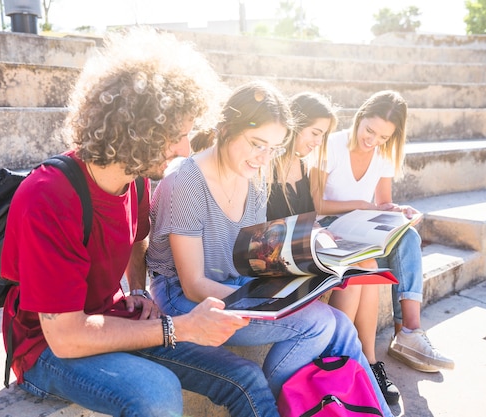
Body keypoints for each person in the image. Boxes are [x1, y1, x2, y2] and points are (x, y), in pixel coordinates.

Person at [0, 27, 282, 417]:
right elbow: (65, 336)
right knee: (155, 391)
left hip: (110, 317)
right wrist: (179, 328)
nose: (185, 149)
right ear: (135, 129)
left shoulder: (134, 181)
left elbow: (136, 239)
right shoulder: (48, 197)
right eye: (175, 136)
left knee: (246, 377)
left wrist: (138, 290)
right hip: (45, 349)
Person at [147, 81, 394, 417]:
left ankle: (370, 411)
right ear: (225, 130)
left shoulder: (253, 178)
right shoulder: (185, 181)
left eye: (273, 148)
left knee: (341, 325)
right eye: (256, 144)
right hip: (183, 299)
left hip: (233, 284)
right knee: (319, 322)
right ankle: (282, 405)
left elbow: (252, 256)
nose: (264, 158)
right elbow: (193, 284)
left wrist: (313, 264)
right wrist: (275, 305)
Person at [311, 90, 455, 381]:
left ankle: (409, 332)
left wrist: (395, 212)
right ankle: (356, 358)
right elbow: (314, 204)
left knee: (408, 238)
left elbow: (382, 203)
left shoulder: (383, 154)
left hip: (360, 224)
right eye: (370, 131)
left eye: (383, 138)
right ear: (360, 117)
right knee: (370, 267)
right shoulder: (333, 145)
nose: (373, 141)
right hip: (326, 226)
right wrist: (361, 205)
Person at [267, 91, 401, 405]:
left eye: (322, 135)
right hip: (278, 255)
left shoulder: (299, 165)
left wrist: (324, 237)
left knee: (367, 266)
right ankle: (342, 363)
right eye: (315, 133)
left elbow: (305, 218)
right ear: (294, 125)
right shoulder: (267, 165)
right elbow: (278, 224)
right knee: (355, 274)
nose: (318, 142)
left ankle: (367, 362)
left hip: (304, 244)